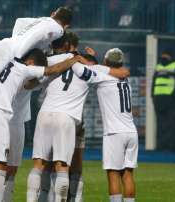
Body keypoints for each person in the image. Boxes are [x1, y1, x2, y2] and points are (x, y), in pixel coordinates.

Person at [26, 32, 129, 202]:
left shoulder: (51, 61)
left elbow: (29, 84)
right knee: (62, 167)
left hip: (44, 115)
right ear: (72, 45)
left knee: (39, 164)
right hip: (67, 118)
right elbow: (119, 74)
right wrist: (96, 63)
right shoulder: (88, 66)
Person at [0, 48, 81, 202]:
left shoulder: (0, 63)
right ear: (30, 62)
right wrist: (72, 59)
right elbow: (51, 70)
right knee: (1, 167)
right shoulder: (23, 69)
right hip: (0, 116)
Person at [72, 48, 138, 202]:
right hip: (131, 132)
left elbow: (85, 72)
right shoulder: (124, 78)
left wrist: (75, 59)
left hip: (115, 133)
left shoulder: (103, 77)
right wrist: (93, 60)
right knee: (127, 175)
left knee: (113, 174)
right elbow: (102, 69)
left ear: (106, 62)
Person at [152, 50, 175, 151]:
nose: (163, 57)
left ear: (170, 56)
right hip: (159, 100)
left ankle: (173, 147)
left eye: (165, 55)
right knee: (162, 125)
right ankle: (162, 146)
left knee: (173, 124)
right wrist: (153, 97)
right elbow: (153, 84)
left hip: (171, 101)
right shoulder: (158, 67)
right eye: (162, 55)